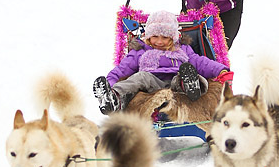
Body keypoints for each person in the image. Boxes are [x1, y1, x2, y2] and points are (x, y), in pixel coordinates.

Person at [93, 11, 230, 114]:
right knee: (139, 77)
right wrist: (111, 83)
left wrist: (221, 70)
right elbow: (122, 69)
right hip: (152, 83)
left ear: (173, 37)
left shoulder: (182, 49)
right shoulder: (140, 50)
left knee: (192, 72)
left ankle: (192, 85)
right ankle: (112, 97)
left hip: (178, 82)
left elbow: (200, 62)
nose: (159, 42)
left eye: (165, 37)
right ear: (148, 36)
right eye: (154, 37)